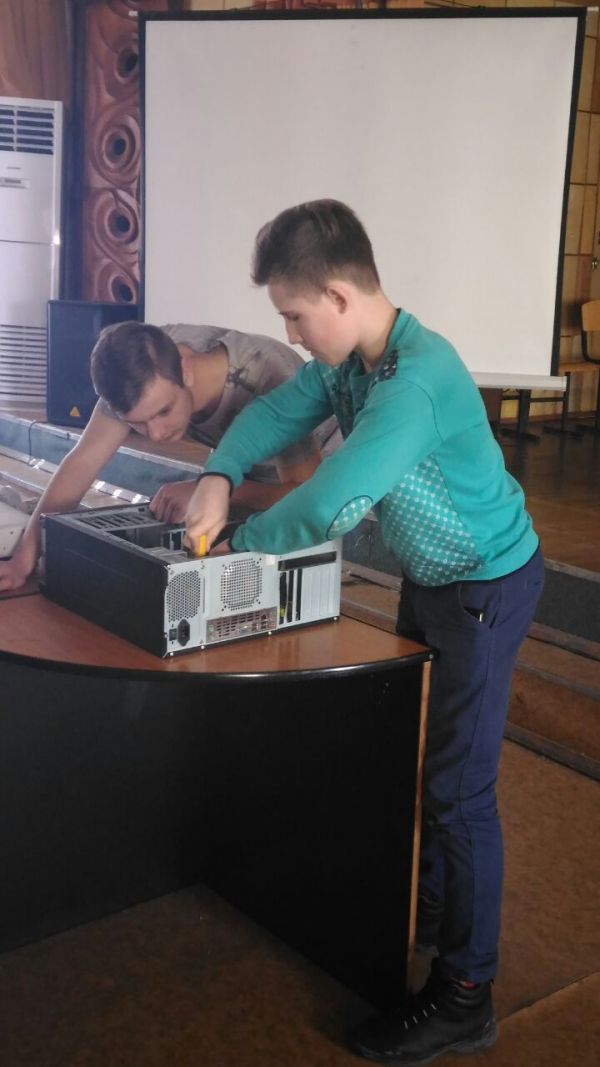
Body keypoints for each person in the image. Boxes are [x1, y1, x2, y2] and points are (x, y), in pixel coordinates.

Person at [184, 200, 544, 1062]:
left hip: (486, 585)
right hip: (435, 577)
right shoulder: (351, 362)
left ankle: (466, 992)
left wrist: (238, 540)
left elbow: (333, 502)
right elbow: (275, 414)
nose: (290, 334)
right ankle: (427, 910)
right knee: (424, 760)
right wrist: (218, 472)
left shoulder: (415, 380)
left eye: (294, 315)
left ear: (339, 297)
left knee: (461, 789)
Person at [0, 321, 340, 593]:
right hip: (240, 471)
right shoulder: (134, 364)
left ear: (186, 372)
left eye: (164, 411)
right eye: (137, 423)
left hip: (327, 478)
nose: (156, 434)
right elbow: (82, 462)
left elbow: (308, 497)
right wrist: (24, 559)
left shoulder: (272, 378)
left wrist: (211, 491)